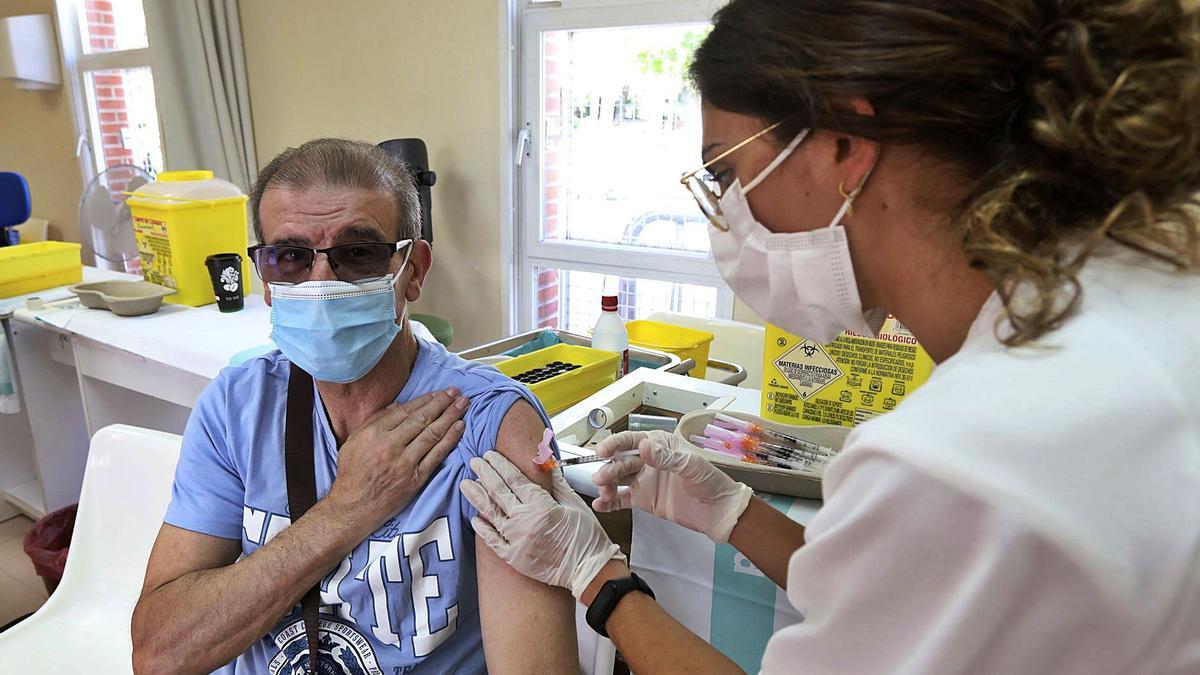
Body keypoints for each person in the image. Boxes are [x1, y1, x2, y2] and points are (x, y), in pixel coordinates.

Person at [460, 0, 1200, 672]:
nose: (728, 214)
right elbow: (903, 589)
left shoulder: (966, 453)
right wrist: (732, 511)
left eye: (726, 172)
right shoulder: (1135, 287)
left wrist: (600, 578)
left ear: (845, 143)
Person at [131, 139, 578, 674]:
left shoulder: (490, 424)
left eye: (358, 253)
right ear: (266, 280)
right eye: (291, 257)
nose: (321, 283)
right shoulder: (236, 408)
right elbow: (160, 654)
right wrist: (348, 509)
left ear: (413, 270)